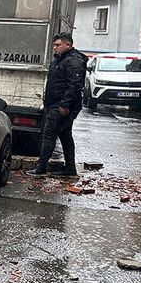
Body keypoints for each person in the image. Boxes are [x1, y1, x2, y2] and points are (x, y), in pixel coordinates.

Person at [25, 33, 88, 177]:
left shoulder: (73, 61)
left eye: (58, 45)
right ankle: (70, 169)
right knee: (65, 136)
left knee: (48, 135)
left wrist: (64, 105)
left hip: (61, 107)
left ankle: (41, 168)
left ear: (68, 45)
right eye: (54, 45)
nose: (55, 48)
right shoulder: (61, 60)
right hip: (56, 104)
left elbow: (75, 85)